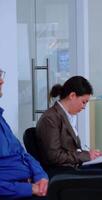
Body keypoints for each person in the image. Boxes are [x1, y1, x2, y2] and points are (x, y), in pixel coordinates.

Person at [36, 76, 102, 176]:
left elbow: (70, 150)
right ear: (72, 95)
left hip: (74, 164)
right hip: (64, 170)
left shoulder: (67, 116)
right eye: (83, 102)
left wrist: (93, 155)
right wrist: (87, 155)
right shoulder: (50, 118)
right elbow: (54, 156)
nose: (84, 107)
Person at [0, 69, 48, 199]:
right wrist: (28, 189)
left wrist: (41, 176)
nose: (2, 80)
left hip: (31, 184)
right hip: (16, 192)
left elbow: (23, 154)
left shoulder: (1, 119)